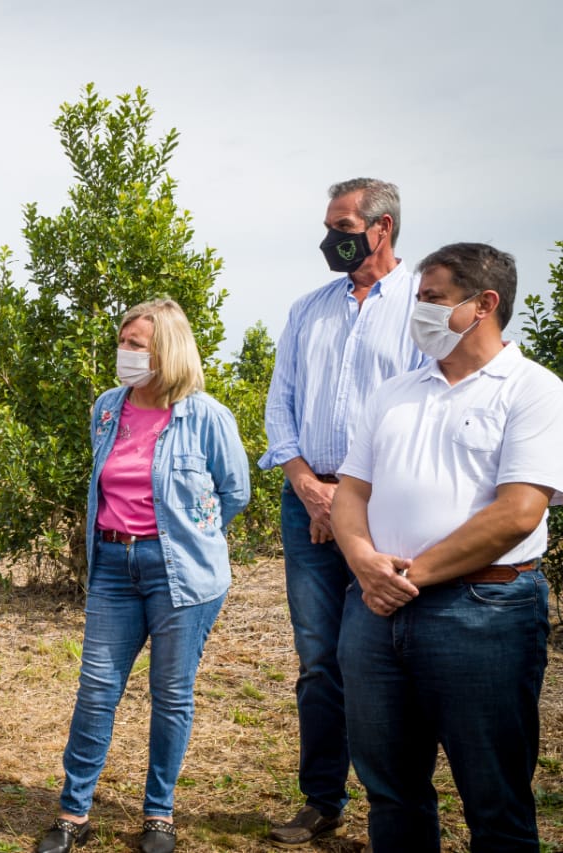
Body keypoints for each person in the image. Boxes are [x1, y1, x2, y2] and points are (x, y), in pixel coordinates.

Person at [331, 243, 563, 851]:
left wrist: (408, 576)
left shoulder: (532, 390)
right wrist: (362, 561)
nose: (419, 310)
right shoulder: (395, 392)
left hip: (482, 613)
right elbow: (351, 491)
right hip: (376, 612)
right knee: (391, 791)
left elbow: (518, 512)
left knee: (494, 799)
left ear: (483, 304)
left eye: (433, 298)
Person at [35, 299, 250, 853]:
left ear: (168, 351)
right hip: (112, 564)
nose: (124, 352)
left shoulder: (206, 415)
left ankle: (159, 813)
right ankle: (73, 811)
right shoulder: (108, 407)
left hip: (181, 573)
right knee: (97, 689)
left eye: (137, 345)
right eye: (123, 341)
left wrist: (188, 536)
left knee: (171, 693)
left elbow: (235, 492)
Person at [258, 178, 425, 845]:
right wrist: (305, 483)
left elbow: (424, 411)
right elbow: (281, 403)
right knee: (319, 659)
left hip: (384, 509)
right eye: (329, 224)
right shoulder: (308, 309)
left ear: (382, 228)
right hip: (306, 506)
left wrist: (348, 498)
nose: (332, 236)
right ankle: (323, 798)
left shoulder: (423, 305)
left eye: (345, 224)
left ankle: (396, 803)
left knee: (378, 658)